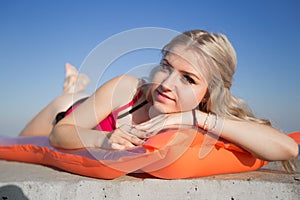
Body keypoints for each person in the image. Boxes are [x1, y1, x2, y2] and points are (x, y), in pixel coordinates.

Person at [19, 30, 298, 170]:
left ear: (210, 92)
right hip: (67, 110)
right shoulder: (127, 88)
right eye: (166, 66)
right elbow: (59, 133)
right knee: (17, 145)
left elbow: (287, 149)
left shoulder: (205, 115)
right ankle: (71, 87)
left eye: (188, 79)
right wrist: (104, 140)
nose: (166, 84)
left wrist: (195, 118)